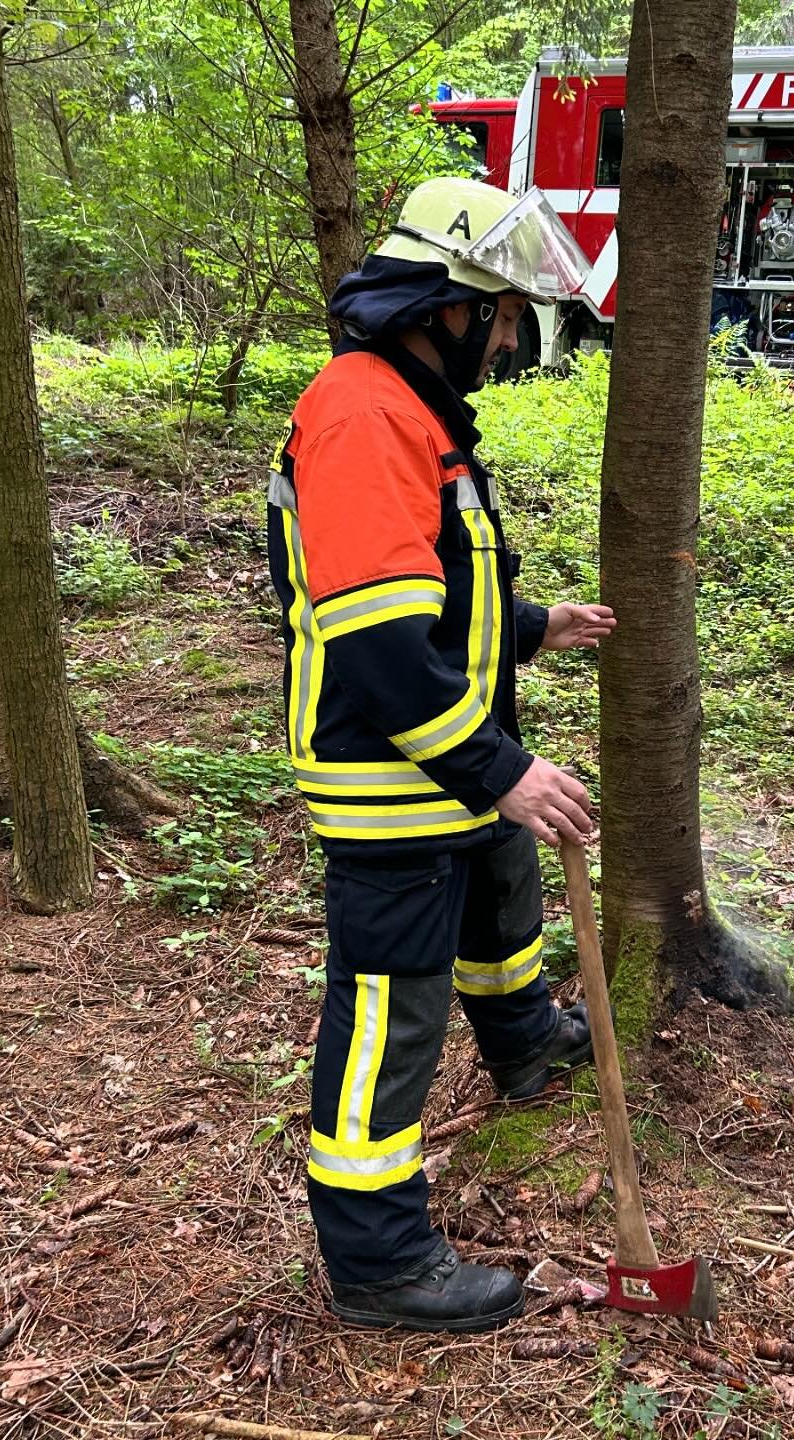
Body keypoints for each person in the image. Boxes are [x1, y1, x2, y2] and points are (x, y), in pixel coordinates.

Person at [267, 177, 616, 1332]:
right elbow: (380, 650)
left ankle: (526, 1046)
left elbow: (434, 595)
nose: (509, 340)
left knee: (500, 906)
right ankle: (379, 1263)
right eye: (502, 316)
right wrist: (501, 772)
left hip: (446, 764)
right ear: (445, 305)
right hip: (390, 778)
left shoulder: (412, 410)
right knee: (393, 1015)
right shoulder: (365, 415)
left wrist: (533, 626)